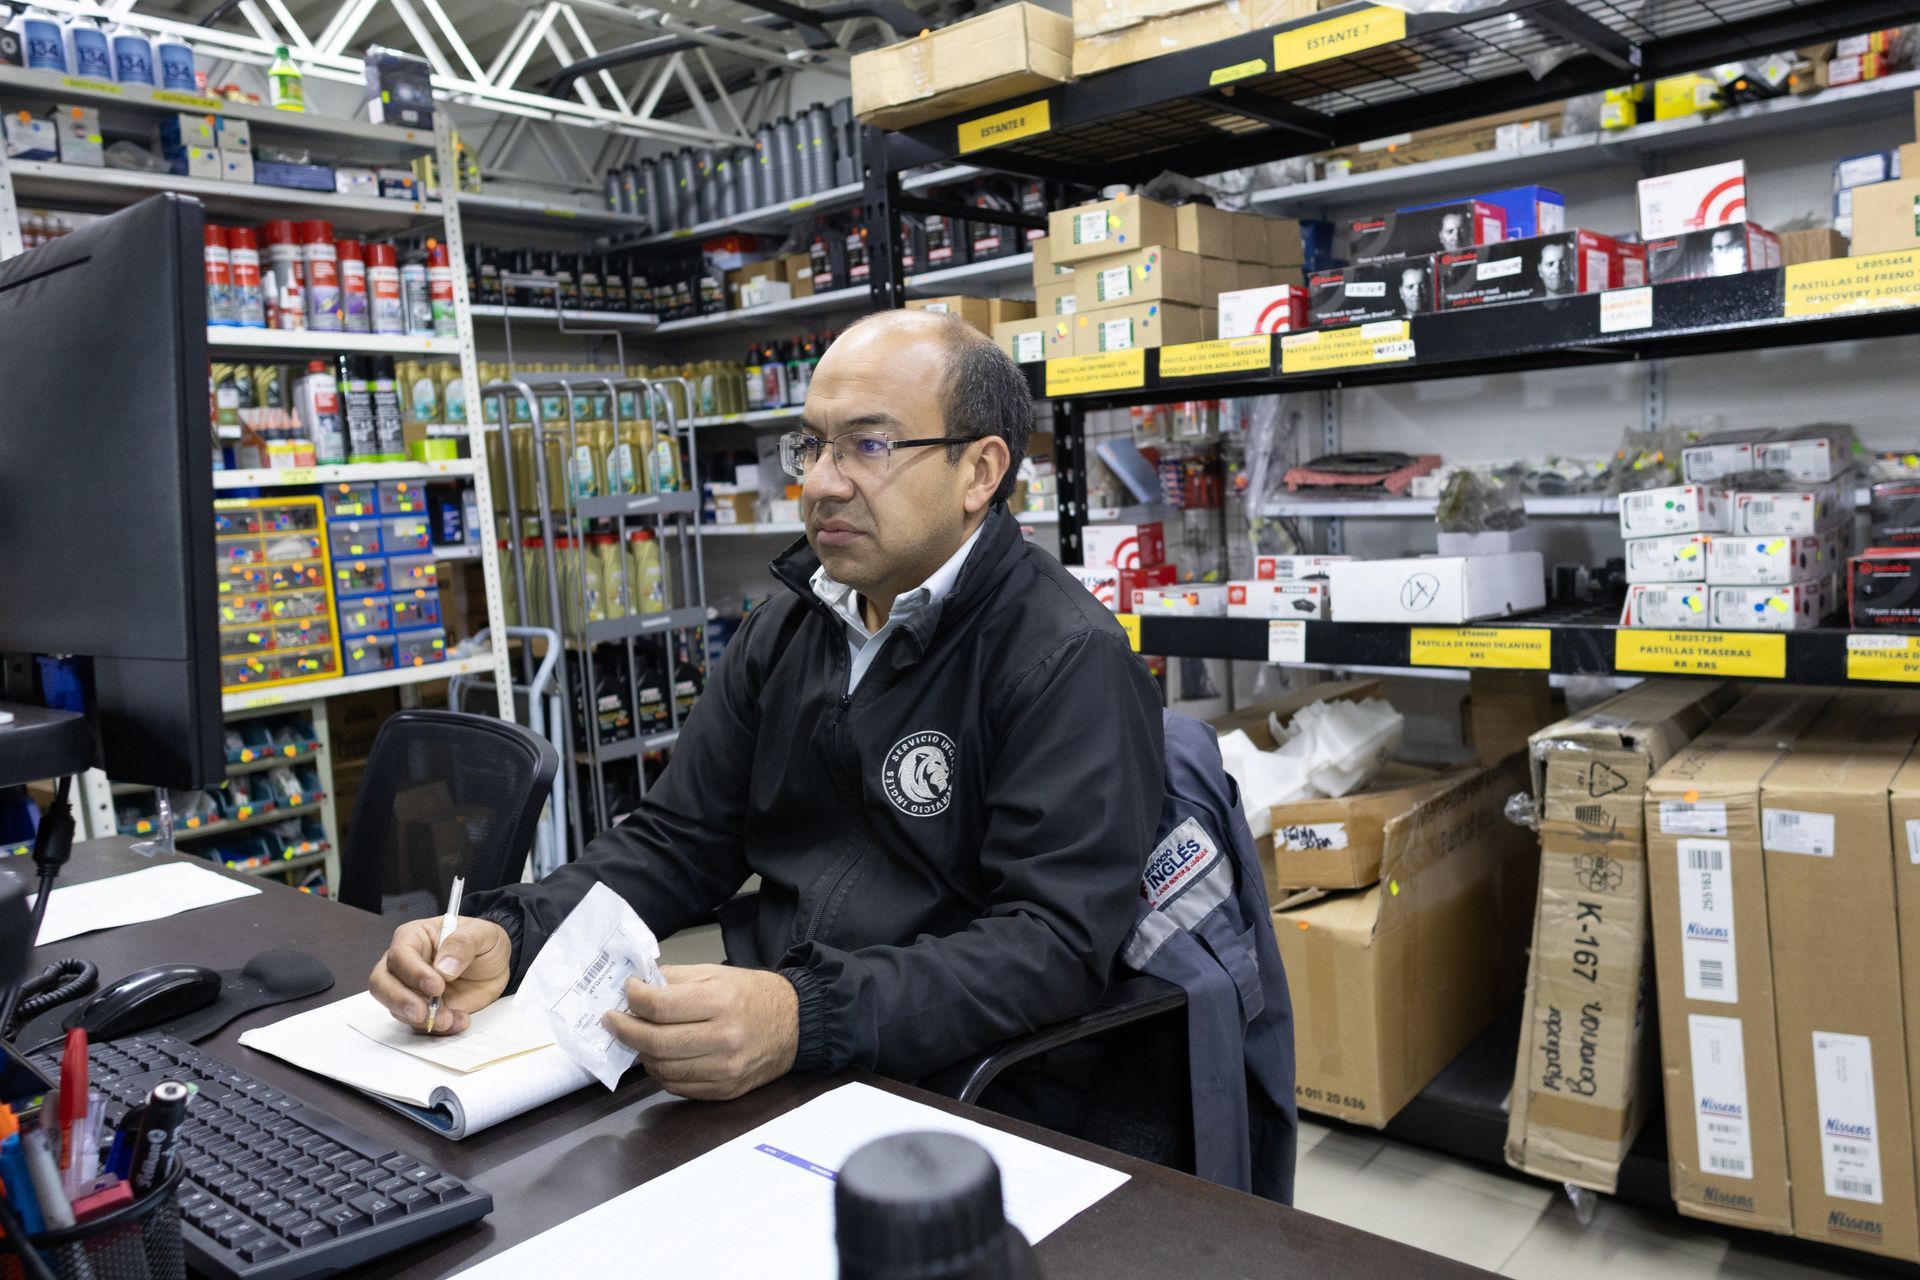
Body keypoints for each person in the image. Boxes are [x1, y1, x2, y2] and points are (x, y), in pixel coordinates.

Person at [367, 309, 1166, 1104]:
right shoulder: (788, 629)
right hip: (786, 1050)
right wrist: (514, 931)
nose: (820, 481)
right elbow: (680, 839)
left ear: (980, 471)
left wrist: (800, 1015)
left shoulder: (1067, 660)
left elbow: (1051, 945)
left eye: (868, 445)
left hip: (962, 1086)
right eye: (812, 445)